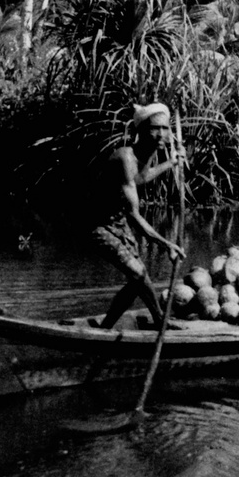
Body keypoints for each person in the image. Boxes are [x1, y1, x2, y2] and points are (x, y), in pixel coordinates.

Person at [89, 102, 187, 329]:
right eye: (155, 128)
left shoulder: (146, 154)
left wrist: (172, 162)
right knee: (139, 273)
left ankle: (105, 328)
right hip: (98, 225)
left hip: (118, 222)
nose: (161, 134)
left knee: (136, 282)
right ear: (140, 132)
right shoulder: (124, 157)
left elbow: (141, 177)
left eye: (165, 128)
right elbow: (134, 215)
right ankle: (161, 320)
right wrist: (166, 243)